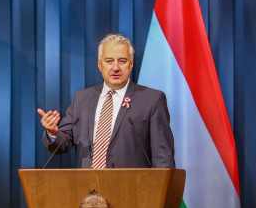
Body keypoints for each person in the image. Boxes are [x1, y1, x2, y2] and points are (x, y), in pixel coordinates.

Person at [37, 33, 175, 168]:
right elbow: (62, 144)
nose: (115, 68)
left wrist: (162, 183)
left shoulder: (152, 100)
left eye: (122, 61)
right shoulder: (81, 99)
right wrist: (53, 132)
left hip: (133, 183)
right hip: (88, 183)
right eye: (109, 61)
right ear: (99, 64)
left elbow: (162, 157)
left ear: (131, 64)